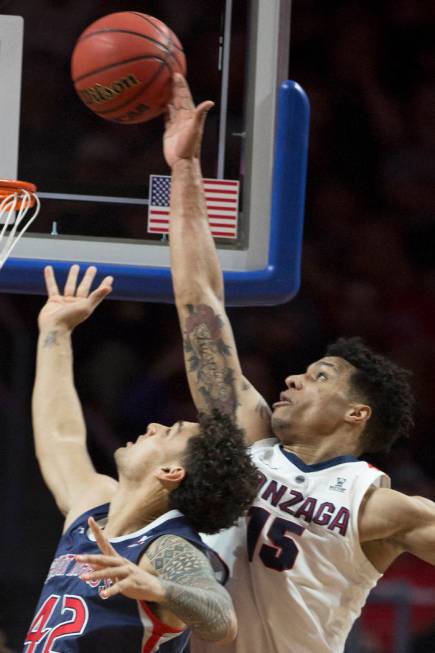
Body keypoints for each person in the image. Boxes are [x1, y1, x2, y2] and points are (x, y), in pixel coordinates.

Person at [164, 74, 435, 653]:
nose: (291, 377)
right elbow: (198, 301)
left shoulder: (377, 505)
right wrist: (184, 169)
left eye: (319, 376)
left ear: (357, 413)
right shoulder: (248, 437)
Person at [24, 264, 260, 652]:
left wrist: (159, 588)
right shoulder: (94, 507)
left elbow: (221, 617)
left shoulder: (167, 548)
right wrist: (55, 332)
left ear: (171, 471)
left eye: (168, 433)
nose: (152, 426)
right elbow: (59, 436)